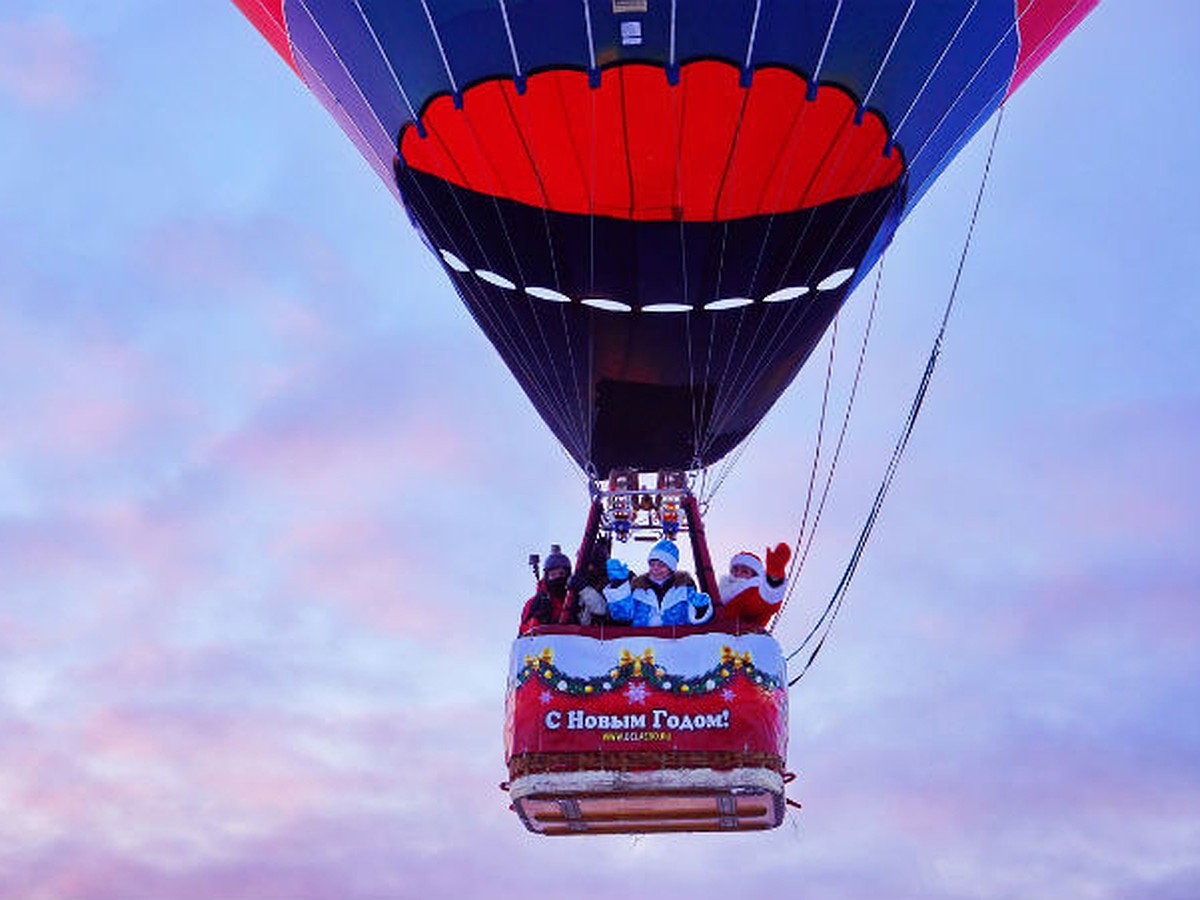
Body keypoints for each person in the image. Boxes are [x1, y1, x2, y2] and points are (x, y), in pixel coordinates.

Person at [603, 539, 712, 627]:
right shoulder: (638, 589)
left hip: (676, 646)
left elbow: (695, 620)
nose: (655, 569)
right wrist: (618, 583)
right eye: (652, 564)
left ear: (671, 568)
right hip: (643, 647)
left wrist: (700, 609)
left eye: (661, 565)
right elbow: (622, 615)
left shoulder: (684, 590)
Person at [713, 543, 791, 631]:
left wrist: (774, 578)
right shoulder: (718, 595)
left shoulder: (752, 592)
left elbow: (766, 601)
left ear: (754, 577)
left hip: (740, 641)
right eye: (734, 570)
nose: (738, 574)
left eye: (745, 571)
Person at [519, 546, 573, 634]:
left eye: (561, 574)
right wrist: (537, 620)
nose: (557, 578)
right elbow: (524, 634)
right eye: (553, 575)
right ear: (547, 577)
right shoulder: (534, 603)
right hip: (545, 646)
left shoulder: (576, 600)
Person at [569, 541, 610, 627]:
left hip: (600, 635)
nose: (589, 568)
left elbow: (602, 610)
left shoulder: (609, 583)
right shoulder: (576, 581)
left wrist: (583, 588)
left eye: (591, 564)